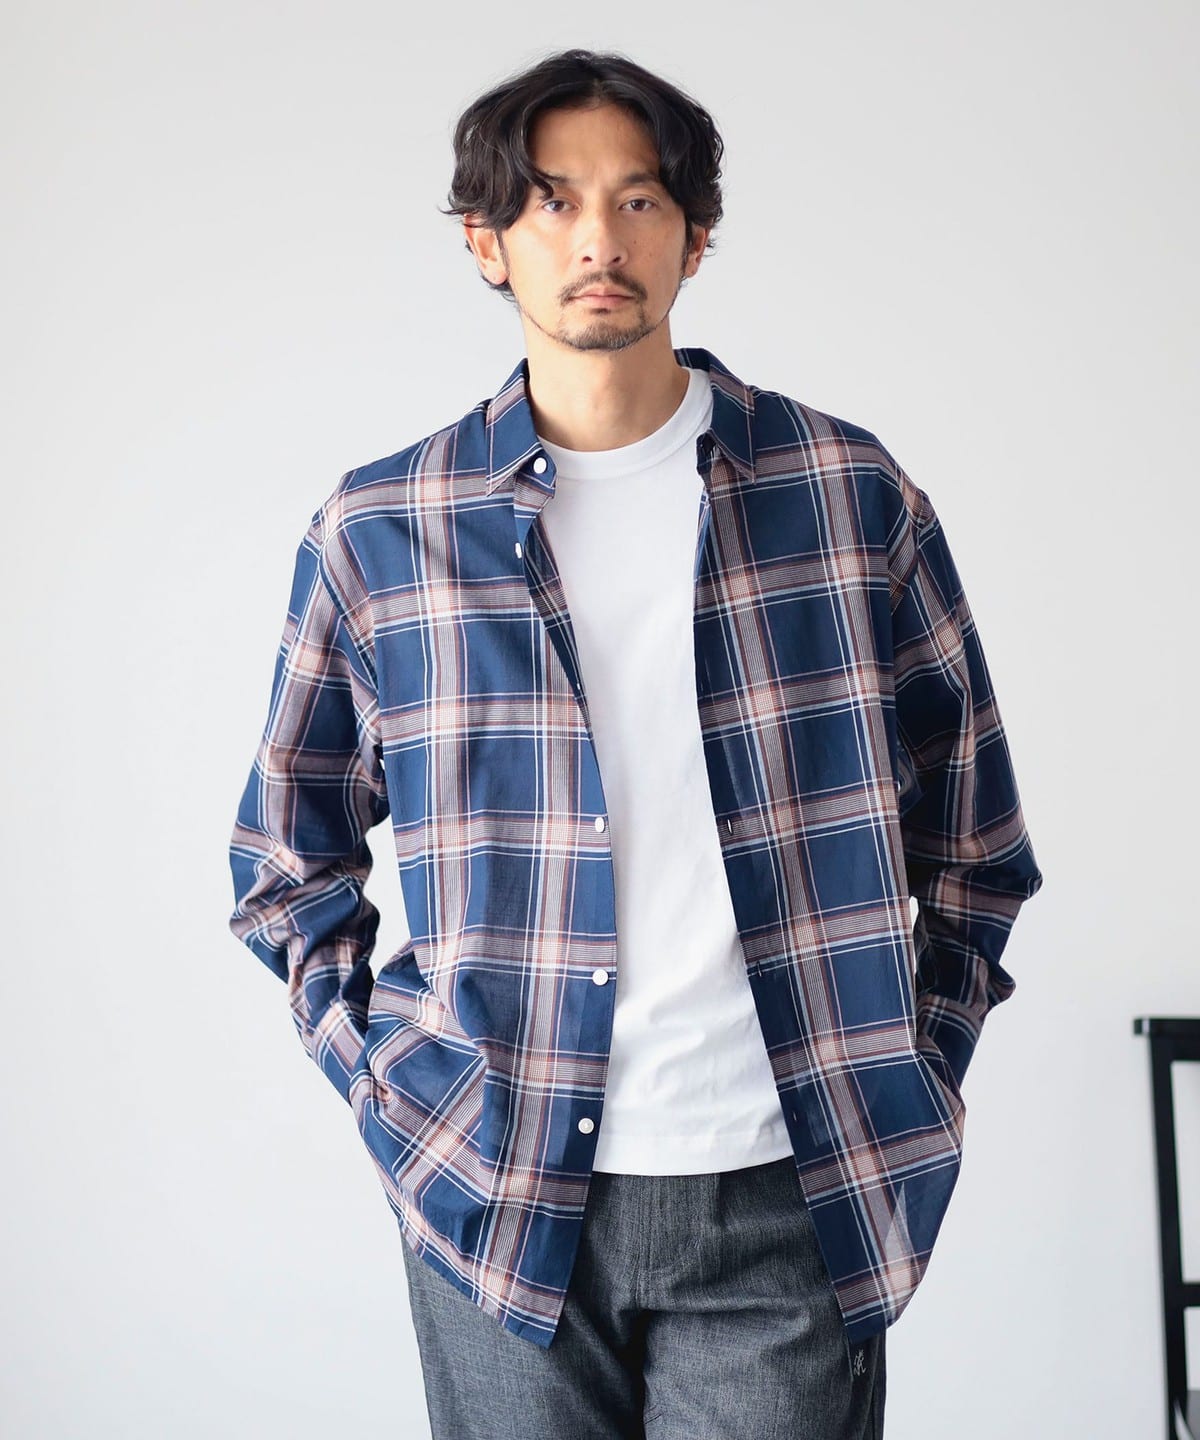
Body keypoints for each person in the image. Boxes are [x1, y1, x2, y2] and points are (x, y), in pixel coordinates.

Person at [227, 46, 1043, 1440]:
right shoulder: (384, 532)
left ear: (696, 235)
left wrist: (906, 1067)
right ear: (484, 240)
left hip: (788, 1187)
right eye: (551, 201)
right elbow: (283, 863)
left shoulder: (847, 497)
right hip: (499, 1192)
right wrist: (397, 1091)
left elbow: (976, 844)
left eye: (639, 198)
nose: (598, 238)